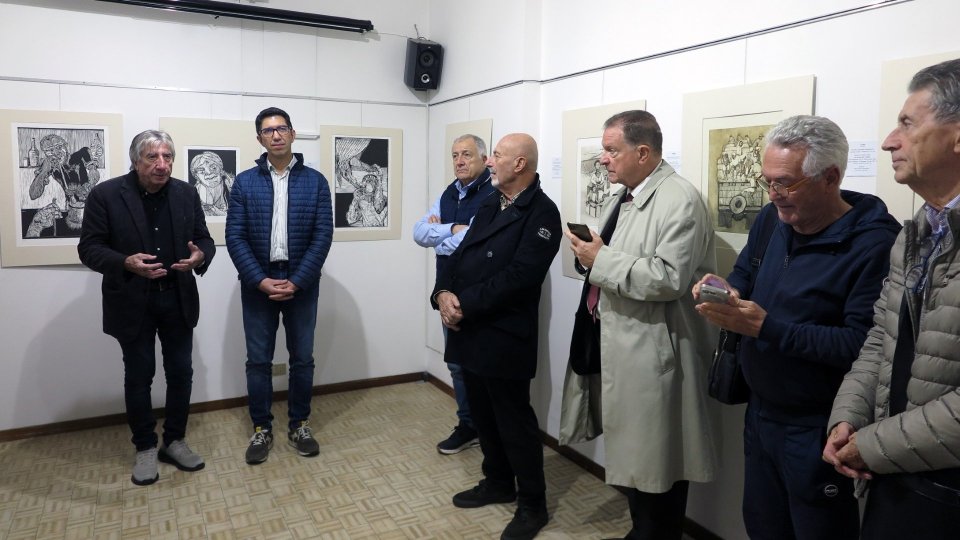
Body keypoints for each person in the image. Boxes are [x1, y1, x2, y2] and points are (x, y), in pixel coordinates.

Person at [693, 115, 900, 539]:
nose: (773, 195)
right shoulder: (772, 219)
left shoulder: (876, 244)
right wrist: (722, 290)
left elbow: (864, 347)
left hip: (819, 426)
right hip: (761, 414)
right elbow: (745, 275)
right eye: (767, 181)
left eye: (784, 183)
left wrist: (767, 328)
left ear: (830, 177)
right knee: (763, 528)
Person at [560, 110, 721, 540]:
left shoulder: (679, 199)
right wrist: (592, 256)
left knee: (659, 467)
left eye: (612, 150)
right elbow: (621, 260)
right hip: (626, 348)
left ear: (644, 152)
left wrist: (601, 260)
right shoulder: (626, 195)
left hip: (654, 355)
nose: (603, 159)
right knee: (638, 462)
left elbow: (668, 278)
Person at [824, 58, 960, 539]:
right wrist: (848, 417)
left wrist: (875, 444)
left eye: (907, 123)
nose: (887, 141)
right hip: (898, 477)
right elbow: (882, 337)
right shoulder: (919, 231)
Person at [432, 133, 560, 540]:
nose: (490, 163)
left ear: (519, 164)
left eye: (498, 157)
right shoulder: (490, 203)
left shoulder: (542, 213)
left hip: (504, 335)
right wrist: (442, 294)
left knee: (514, 422)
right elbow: (460, 253)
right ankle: (498, 482)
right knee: (484, 417)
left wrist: (463, 302)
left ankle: (532, 504)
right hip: (471, 330)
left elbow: (519, 279)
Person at [77, 130, 215, 486]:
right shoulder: (106, 194)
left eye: (168, 156)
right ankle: (145, 447)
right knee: (139, 377)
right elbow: (89, 248)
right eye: (153, 157)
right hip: (132, 300)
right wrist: (126, 262)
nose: (162, 164)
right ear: (136, 160)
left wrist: (201, 254)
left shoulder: (186, 193)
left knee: (181, 373)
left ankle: (175, 440)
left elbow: (203, 239)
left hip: (177, 297)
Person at [226, 107, 333, 465]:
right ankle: (261, 428)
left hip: (302, 281)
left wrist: (299, 281)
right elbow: (234, 236)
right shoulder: (243, 182)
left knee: (302, 359)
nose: (276, 135)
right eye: (268, 130)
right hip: (258, 281)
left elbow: (323, 236)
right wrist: (259, 280)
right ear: (259, 138)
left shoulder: (316, 181)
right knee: (258, 361)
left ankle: (300, 424)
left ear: (292, 134)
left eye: (282, 128)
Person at [413, 133, 495, 454]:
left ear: (484, 159)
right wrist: (450, 229)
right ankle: (468, 425)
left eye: (466, 155)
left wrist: (443, 237)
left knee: (482, 367)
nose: (459, 161)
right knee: (457, 364)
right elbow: (419, 233)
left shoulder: (492, 194)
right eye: (455, 155)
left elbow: (475, 241)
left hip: (480, 294)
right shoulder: (450, 193)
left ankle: (488, 428)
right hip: (447, 292)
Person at [190, 151, 234, 216]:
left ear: (220, 168)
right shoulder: (194, 194)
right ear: (196, 176)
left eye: (213, 167)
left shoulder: (231, 185)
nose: (208, 172)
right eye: (201, 171)